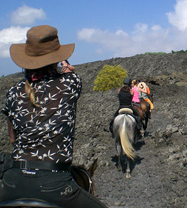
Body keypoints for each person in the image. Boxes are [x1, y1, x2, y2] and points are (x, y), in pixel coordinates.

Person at [0, 25, 107, 208]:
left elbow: (12, 139)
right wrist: (67, 68)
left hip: (12, 183)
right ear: (57, 58)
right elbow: (68, 77)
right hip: (56, 185)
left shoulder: (13, 92)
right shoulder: (70, 83)